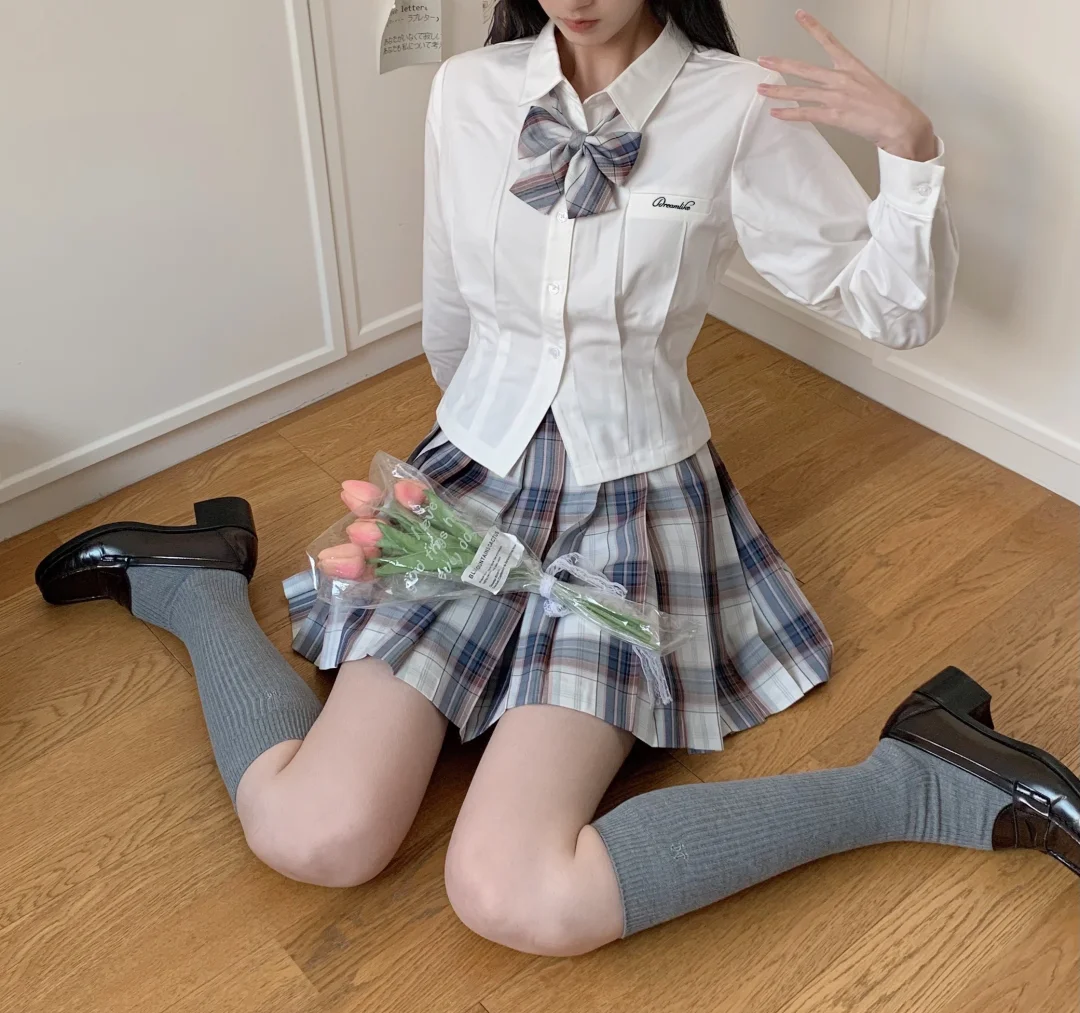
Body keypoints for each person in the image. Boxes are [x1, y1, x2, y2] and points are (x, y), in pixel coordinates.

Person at [36, 0, 1078, 957]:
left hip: (634, 506)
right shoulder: (470, 90)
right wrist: (463, 459)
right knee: (315, 834)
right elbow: (451, 305)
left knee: (519, 892)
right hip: (473, 477)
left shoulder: (735, 106)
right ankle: (199, 584)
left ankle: (916, 777)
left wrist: (912, 154)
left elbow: (893, 311)